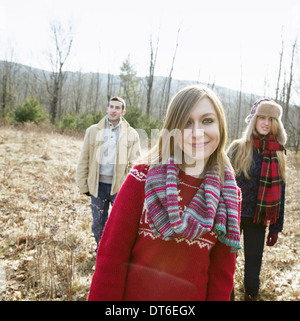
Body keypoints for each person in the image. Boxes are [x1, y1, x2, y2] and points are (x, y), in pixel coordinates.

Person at [88, 85, 241, 301]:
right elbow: (111, 258)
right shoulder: (142, 178)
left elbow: (221, 278)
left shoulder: (228, 194)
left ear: (221, 126)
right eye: (187, 123)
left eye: (207, 120)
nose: (197, 132)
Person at [227, 98, 287, 301]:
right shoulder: (238, 147)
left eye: (271, 119)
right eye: (261, 117)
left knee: (253, 266)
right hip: (232, 217)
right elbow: (221, 182)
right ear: (253, 119)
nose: (266, 123)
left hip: (258, 219)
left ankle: (251, 296)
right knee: (227, 264)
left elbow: (282, 191)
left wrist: (276, 227)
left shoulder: (277, 151)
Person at [76, 96, 141, 250]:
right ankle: (101, 250)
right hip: (97, 185)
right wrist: (83, 184)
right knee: (98, 221)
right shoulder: (92, 131)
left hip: (119, 186)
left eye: (117, 108)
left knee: (121, 222)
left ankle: (116, 252)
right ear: (107, 108)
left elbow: (136, 163)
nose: (113, 110)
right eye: (111, 107)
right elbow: (83, 158)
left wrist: (133, 188)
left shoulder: (131, 134)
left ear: (123, 111)